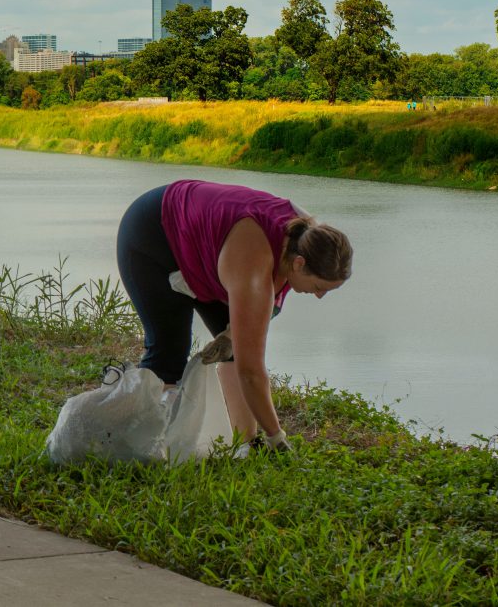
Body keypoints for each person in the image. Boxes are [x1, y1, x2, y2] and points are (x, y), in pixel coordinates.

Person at [115, 180, 353, 452]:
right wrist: (277, 437)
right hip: (152, 236)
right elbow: (251, 373)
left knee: (236, 348)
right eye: (320, 287)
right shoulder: (253, 267)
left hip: (207, 251)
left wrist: (231, 336)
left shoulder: (308, 239)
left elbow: (251, 334)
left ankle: (246, 443)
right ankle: (142, 445)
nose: (320, 296)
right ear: (299, 264)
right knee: (169, 353)